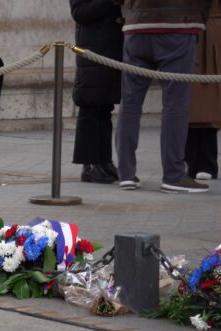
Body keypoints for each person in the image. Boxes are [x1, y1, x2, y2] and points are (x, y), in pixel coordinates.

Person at [116, 0, 210, 193]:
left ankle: (126, 174)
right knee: (176, 103)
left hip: (136, 25)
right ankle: (173, 175)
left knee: (130, 102)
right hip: (178, 25)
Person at [70, 0, 124, 184]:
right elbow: (80, 13)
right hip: (93, 48)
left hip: (111, 48)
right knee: (90, 105)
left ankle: (104, 160)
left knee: (104, 106)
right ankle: (89, 164)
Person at [186, 0, 221, 180]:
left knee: (209, 105)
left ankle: (206, 162)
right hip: (187, 30)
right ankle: (192, 161)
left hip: (210, 35)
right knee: (186, 102)